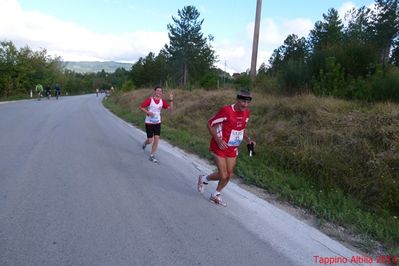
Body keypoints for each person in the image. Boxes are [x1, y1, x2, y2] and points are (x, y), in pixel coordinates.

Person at [197, 90, 256, 207]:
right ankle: (205, 180)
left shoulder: (246, 113)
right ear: (237, 100)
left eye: (247, 102)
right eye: (242, 101)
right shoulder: (227, 111)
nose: (245, 104)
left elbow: (241, 130)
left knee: (229, 175)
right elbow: (210, 124)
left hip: (232, 147)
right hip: (220, 145)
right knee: (223, 175)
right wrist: (218, 140)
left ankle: (214, 193)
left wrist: (249, 140)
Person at [139, 86, 174, 163]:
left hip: (157, 122)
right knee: (150, 140)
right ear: (155, 91)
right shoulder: (150, 100)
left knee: (157, 139)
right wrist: (148, 112)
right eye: (157, 91)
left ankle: (152, 155)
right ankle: (146, 142)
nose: (159, 92)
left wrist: (171, 99)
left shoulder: (162, 101)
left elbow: (170, 109)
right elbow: (141, 107)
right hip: (149, 122)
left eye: (160, 91)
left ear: (161, 93)